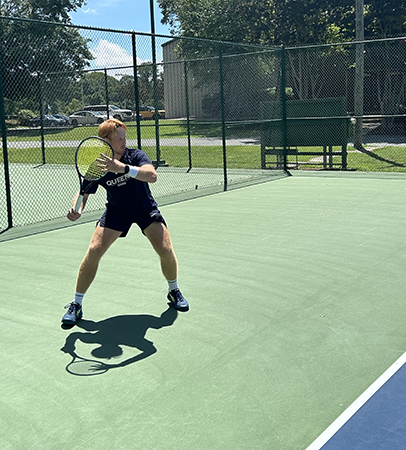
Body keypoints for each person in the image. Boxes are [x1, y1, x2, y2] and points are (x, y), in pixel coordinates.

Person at [62, 118, 189, 325]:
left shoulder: (136, 155)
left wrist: (122, 168)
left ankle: (174, 290)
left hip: (144, 208)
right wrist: (77, 208)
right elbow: (83, 192)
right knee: (94, 249)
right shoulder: (98, 165)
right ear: (105, 142)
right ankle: (76, 304)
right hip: (116, 212)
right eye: (118, 138)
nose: (123, 141)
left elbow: (152, 175)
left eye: (124, 137)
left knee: (165, 248)